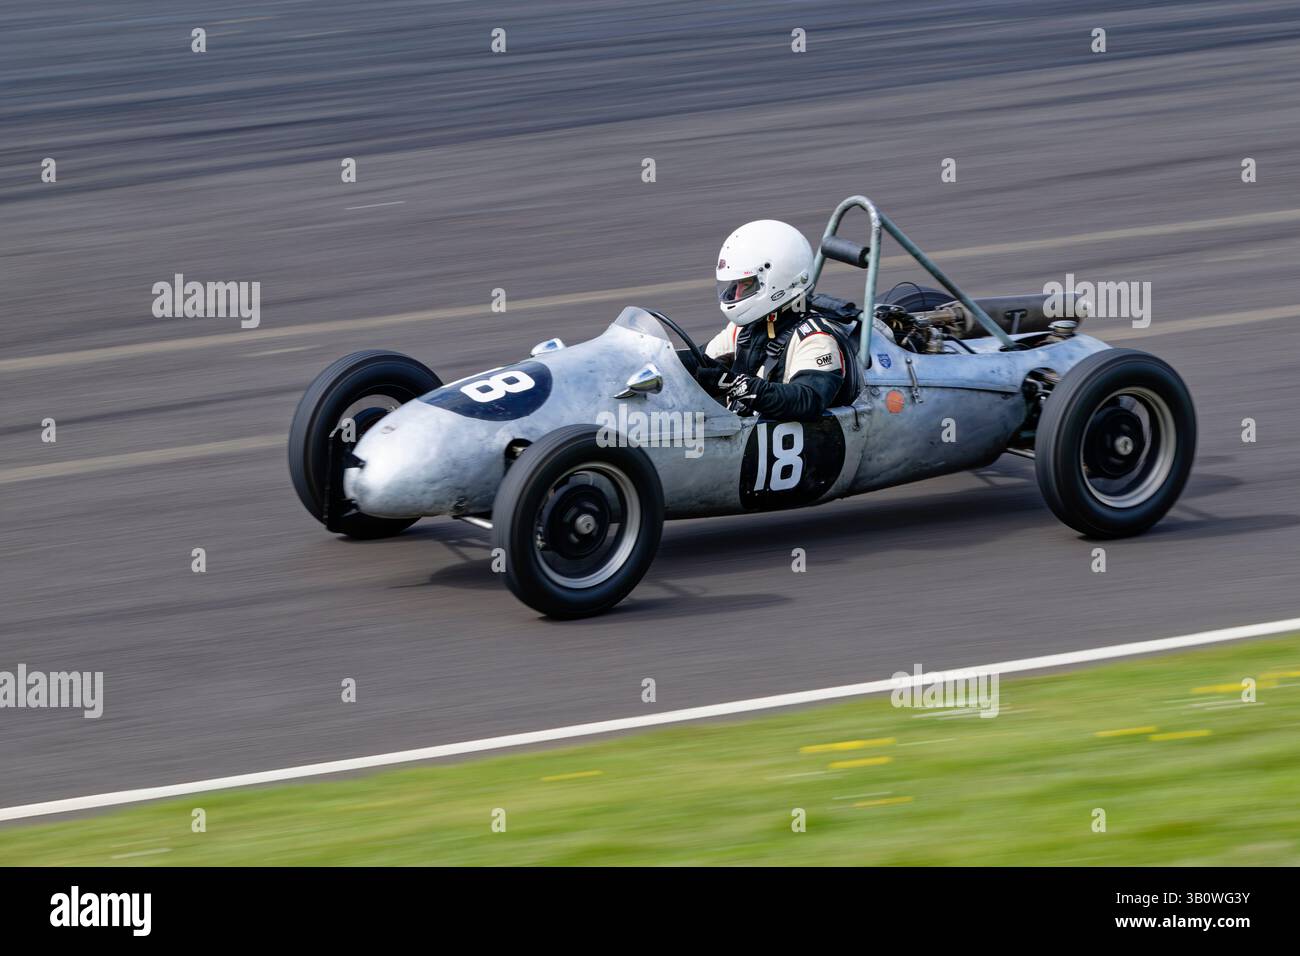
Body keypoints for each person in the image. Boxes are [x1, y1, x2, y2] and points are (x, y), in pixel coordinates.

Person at [695, 220, 847, 421]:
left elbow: (807, 400)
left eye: (746, 284)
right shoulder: (743, 329)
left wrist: (734, 385)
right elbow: (698, 362)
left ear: (778, 281)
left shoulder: (815, 338)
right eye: (735, 284)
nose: (736, 293)